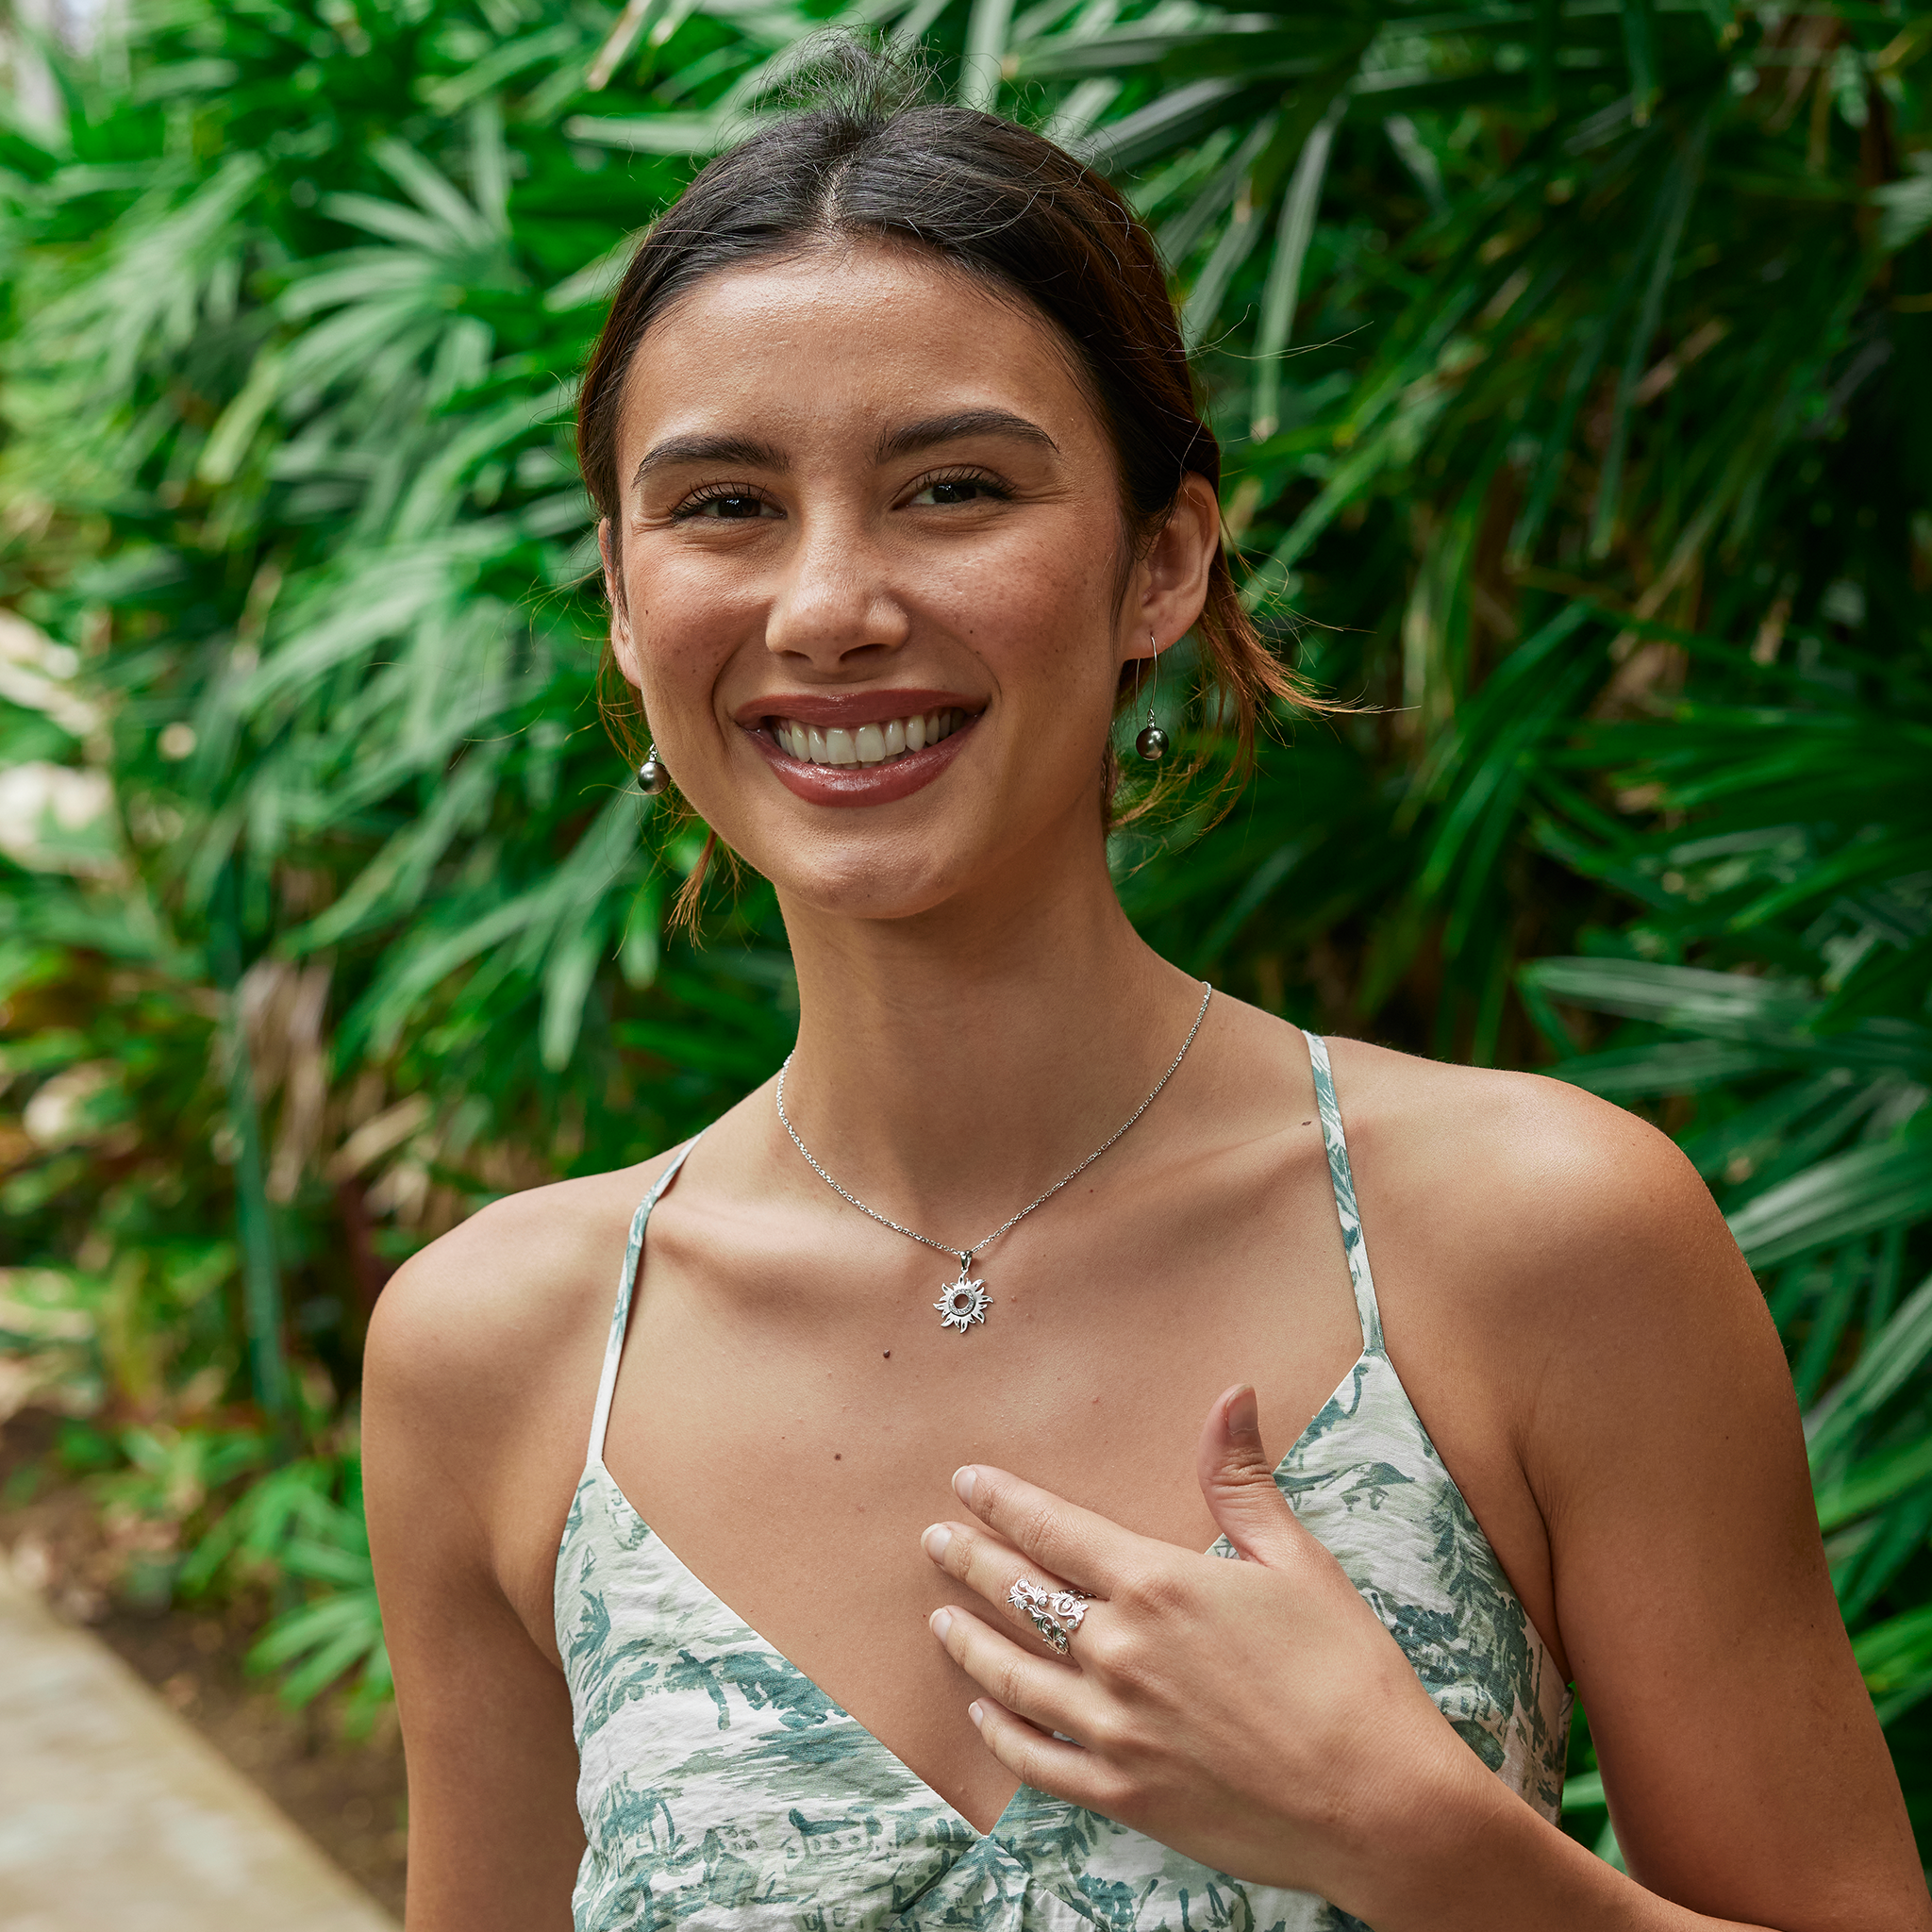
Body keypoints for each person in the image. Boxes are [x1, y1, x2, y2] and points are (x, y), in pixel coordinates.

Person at [362, 52, 1930, 1932]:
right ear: (622, 599)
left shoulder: (1533, 1239)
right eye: (722, 507)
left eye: (951, 488)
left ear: (1163, 557)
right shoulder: (502, 1355)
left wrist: (1422, 1844)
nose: (829, 604)